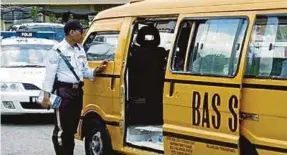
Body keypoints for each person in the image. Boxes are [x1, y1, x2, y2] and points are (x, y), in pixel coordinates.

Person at [41, 20, 107, 155]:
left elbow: (84, 72)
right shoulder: (57, 51)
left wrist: (96, 71)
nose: (83, 35)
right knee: (62, 129)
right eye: (80, 31)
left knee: (72, 128)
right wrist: (46, 97)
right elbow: (49, 76)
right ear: (71, 32)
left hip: (77, 92)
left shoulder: (80, 49)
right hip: (63, 93)